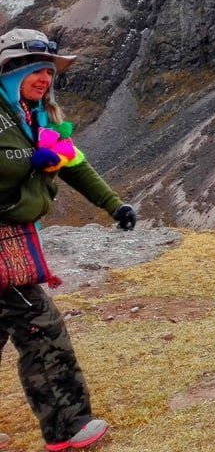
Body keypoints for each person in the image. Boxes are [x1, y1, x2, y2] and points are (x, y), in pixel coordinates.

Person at [0, 28, 137, 450]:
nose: (44, 78)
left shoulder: (39, 117)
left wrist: (115, 205)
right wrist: (30, 168)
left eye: (48, 71)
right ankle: (67, 427)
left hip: (15, 237)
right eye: (33, 70)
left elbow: (74, 164)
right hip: (3, 242)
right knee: (40, 328)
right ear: (8, 71)